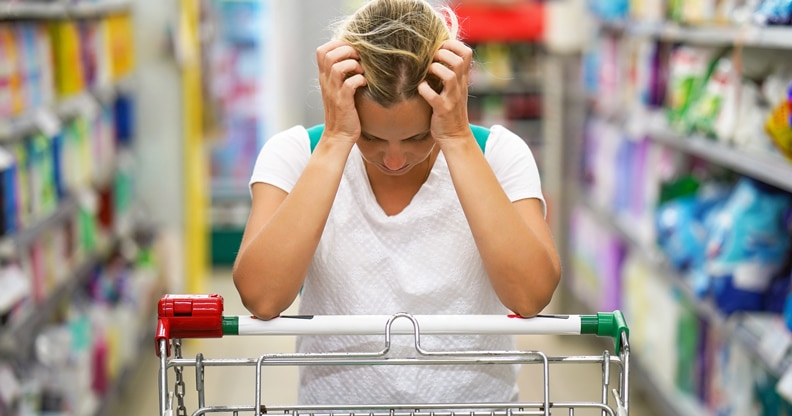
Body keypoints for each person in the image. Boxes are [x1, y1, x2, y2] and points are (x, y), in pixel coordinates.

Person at [232, 0, 561, 406]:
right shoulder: (296, 154)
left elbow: (531, 295)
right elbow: (262, 297)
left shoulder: (499, 155)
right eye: (370, 138)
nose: (393, 160)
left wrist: (456, 138)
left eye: (416, 138)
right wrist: (337, 140)